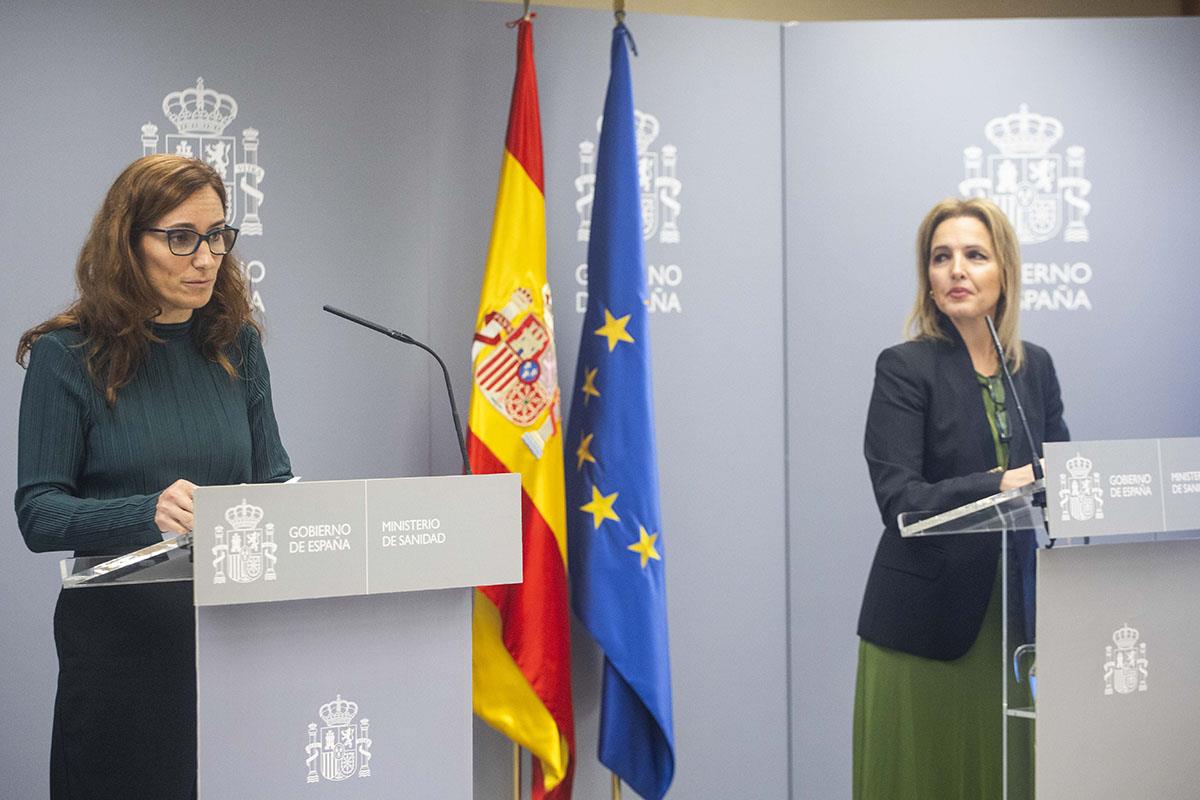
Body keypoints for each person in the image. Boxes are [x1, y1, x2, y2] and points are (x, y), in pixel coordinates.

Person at [15, 154, 292, 799]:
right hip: (121, 648)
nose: (206, 258)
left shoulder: (235, 345)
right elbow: (40, 514)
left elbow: (272, 476)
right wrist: (149, 511)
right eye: (181, 238)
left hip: (232, 638)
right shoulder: (67, 355)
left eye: (218, 235)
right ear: (127, 242)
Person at [853, 197, 1069, 799]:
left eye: (975, 255)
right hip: (927, 630)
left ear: (1005, 273)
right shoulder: (904, 367)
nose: (956, 270)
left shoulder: (1036, 368)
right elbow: (900, 499)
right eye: (941, 256)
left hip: (1017, 625)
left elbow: (1060, 479)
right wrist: (997, 483)